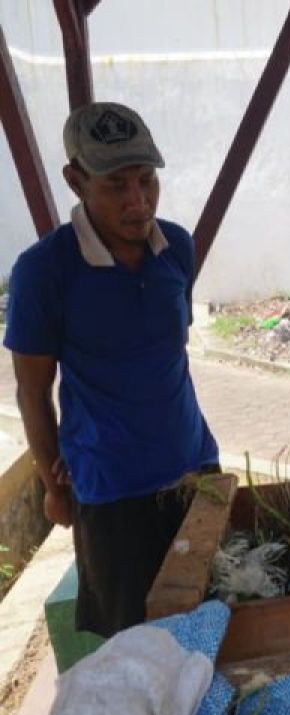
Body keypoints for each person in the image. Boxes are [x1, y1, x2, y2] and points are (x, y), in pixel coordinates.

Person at [4, 101, 220, 636]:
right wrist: (54, 485)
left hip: (196, 471)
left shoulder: (177, 248)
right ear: (75, 181)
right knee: (135, 647)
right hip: (112, 495)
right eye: (115, 185)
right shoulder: (44, 272)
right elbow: (32, 391)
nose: (137, 201)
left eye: (146, 181)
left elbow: (167, 354)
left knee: (215, 625)